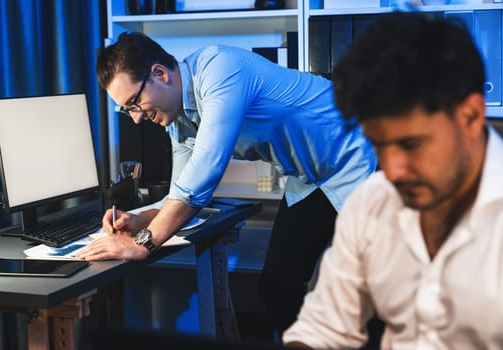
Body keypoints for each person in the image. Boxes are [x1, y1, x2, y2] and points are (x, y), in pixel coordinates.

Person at [77, 32, 377, 334]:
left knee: (379, 291)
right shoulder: (179, 121)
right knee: (277, 288)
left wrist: (144, 244)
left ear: (159, 73)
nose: (136, 119)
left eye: (135, 102)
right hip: (311, 178)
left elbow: (207, 169)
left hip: (359, 151)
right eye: (128, 109)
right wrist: (141, 219)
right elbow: (182, 189)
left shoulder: (219, 69)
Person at [282, 11, 503, 349]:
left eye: (411, 144)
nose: (393, 171)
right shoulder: (372, 201)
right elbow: (323, 329)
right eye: (379, 146)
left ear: (470, 116)